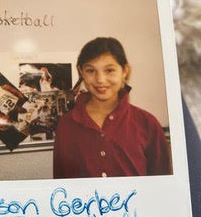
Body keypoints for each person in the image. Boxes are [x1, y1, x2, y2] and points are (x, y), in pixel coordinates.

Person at [53, 37, 172, 178]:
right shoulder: (66, 124)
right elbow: (61, 184)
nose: (100, 80)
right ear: (81, 72)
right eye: (91, 71)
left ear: (124, 71)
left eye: (109, 70)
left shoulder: (147, 123)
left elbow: (163, 186)